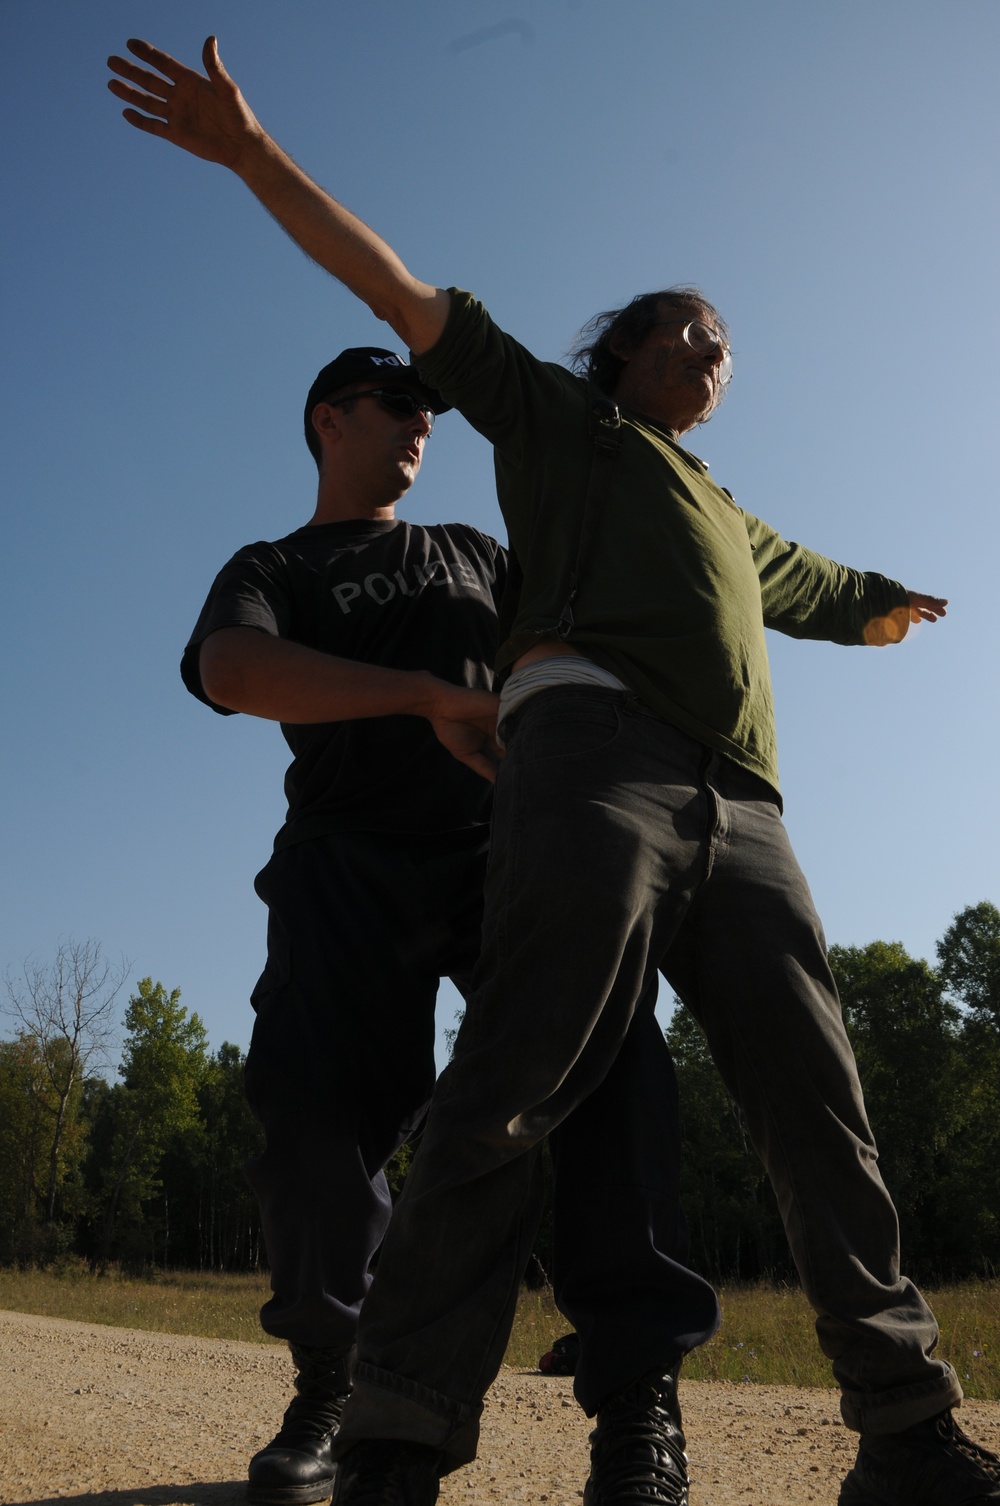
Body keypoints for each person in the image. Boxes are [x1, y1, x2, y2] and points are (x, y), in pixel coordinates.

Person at [108, 37, 1000, 1506]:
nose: (719, 358)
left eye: (730, 347)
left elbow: (803, 577)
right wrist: (256, 156)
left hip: (712, 801)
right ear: (622, 348)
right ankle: (385, 1413)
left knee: (787, 1098)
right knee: (471, 1089)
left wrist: (881, 598)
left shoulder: (685, 501)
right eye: (693, 334)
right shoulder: (545, 429)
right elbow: (394, 293)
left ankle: (888, 1422)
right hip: (515, 799)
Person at [178, 346, 504, 1505]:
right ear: (329, 420)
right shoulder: (273, 564)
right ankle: (334, 1383)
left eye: (433, 413)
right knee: (312, 1121)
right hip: (343, 863)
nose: (422, 426)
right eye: (398, 407)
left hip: (498, 858)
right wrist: (424, 695)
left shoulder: (471, 551)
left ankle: (630, 1391)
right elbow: (229, 668)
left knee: (609, 1080)